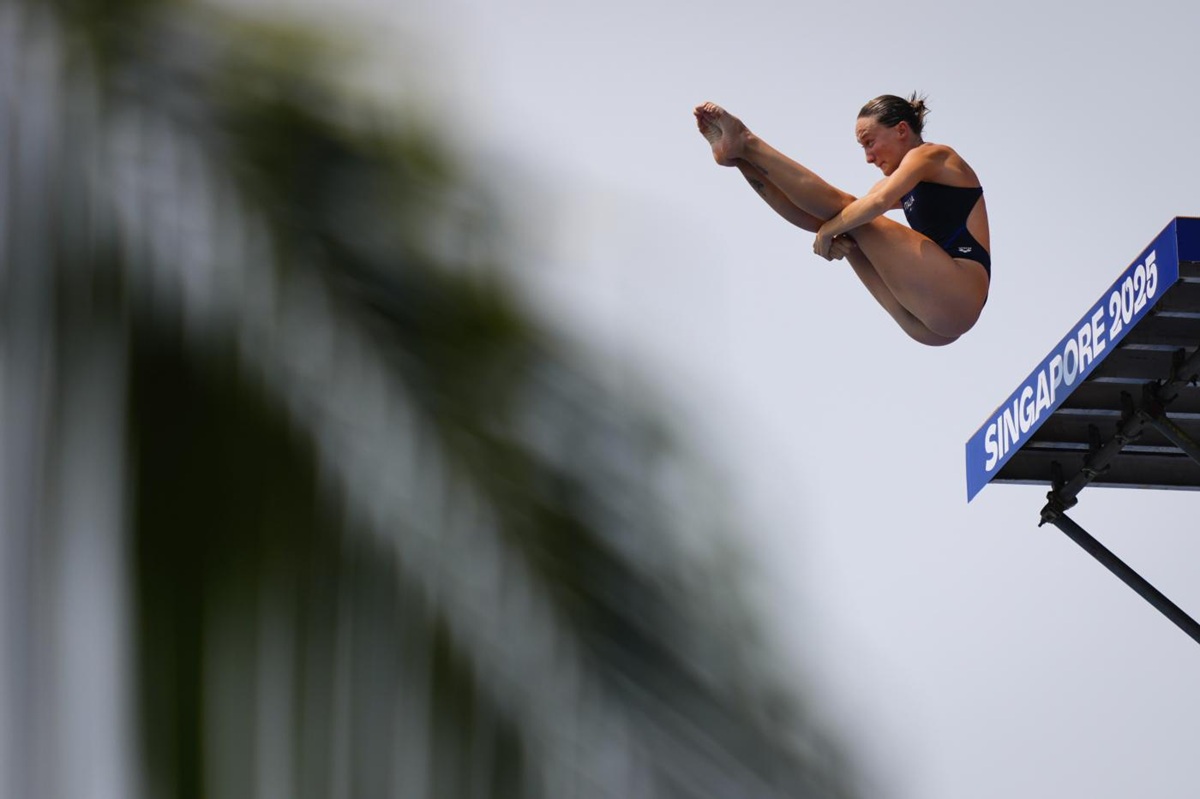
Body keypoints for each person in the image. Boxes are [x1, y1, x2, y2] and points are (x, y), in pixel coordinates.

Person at [694, 95, 990, 346]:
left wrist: (828, 233)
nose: (869, 158)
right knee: (845, 222)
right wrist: (831, 232)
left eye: (870, 142)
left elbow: (876, 203)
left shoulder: (933, 155)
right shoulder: (904, 180)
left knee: (847, 214)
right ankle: (740, 158)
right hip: (928, 323)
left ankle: (746, 141)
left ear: (901, 130)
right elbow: (837, 214)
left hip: (958, 293)